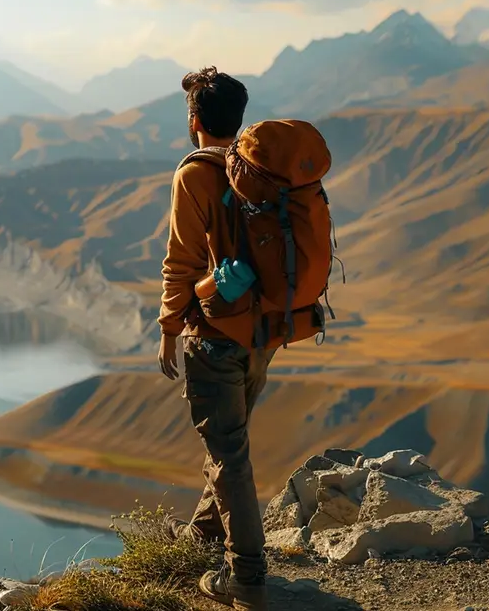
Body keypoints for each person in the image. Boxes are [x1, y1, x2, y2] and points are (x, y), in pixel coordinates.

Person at [157, 66, 272, 611]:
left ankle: (247, 580)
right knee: (230, 439)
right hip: (263, 331)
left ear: (195, 120)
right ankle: (203, 538)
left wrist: (167, 329)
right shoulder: (261, 167)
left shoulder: (195, 174)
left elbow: (181, 260)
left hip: (215, 332)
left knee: (229, 455)